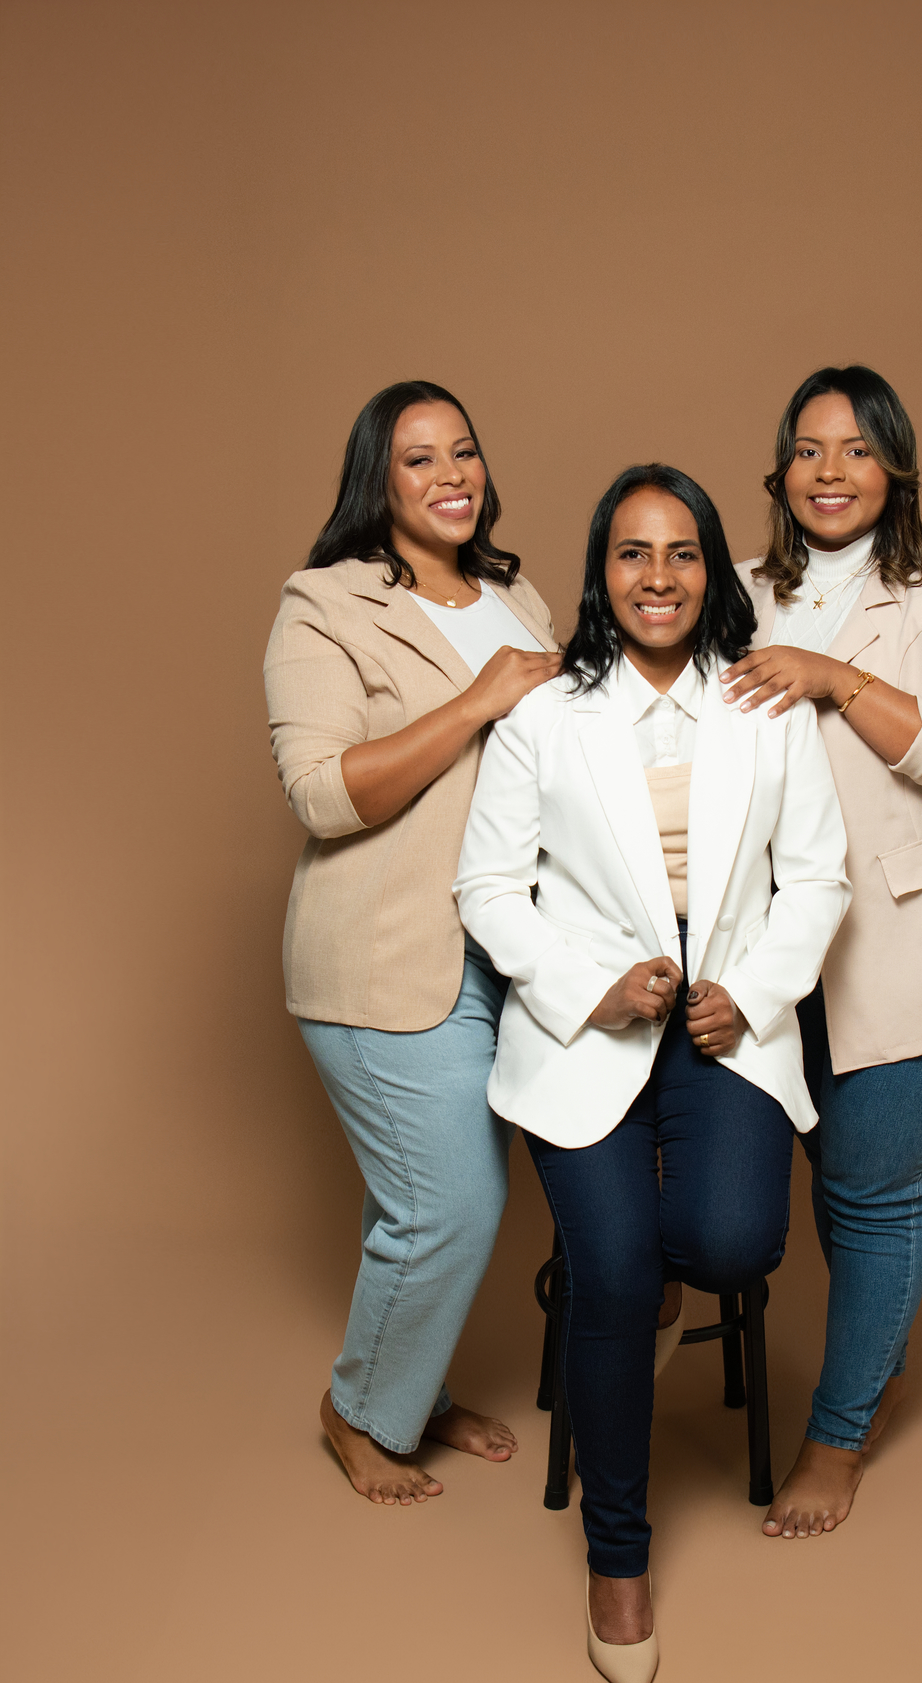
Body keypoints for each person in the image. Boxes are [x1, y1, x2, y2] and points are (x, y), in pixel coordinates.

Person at [454, 465, 849, 1683]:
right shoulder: (545, 712)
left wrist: (758, 991)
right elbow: (487, 890)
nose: (659, 576)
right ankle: (617, 1560)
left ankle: (639, 1287)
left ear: (712, 568)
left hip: (725, 1024)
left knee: (732, 1242)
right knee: (616, 1275)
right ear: (602, 573)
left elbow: (819, 877)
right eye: (633, 553)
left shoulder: (764, 703)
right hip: (588, 1031)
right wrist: (592, 987)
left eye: (683, 552)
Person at [722, 364, 922, 1540]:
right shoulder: (737, 587)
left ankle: (840, 1433)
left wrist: (837, 678)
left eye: (857, 449)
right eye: (809, 449)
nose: (831, 471)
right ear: (779, 471)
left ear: (895, 468)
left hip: (913, 949)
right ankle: (875, 1367)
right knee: (785, 1189)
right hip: (767, 953)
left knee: (871, 1199)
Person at [263, 380, 561, 1507]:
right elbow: (322, 793)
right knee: (450, 1204)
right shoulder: (323, 604)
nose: (451, 476)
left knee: (422, 1199)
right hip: (384, 951)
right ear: (376, 482)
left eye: (465, 451)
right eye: (419, 458)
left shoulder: (517, 595)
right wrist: (478, 701)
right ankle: (358, 1412)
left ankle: (412, 1389)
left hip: (507, 946)